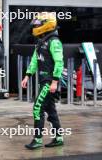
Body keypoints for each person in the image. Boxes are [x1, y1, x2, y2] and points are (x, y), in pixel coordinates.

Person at [21, 12, 64, 150]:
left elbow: (59, 62)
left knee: (37, 108)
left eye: (38, 24)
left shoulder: (54, 41)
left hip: (49, 81)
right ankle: (58, 138)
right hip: (44, 81)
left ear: (47, 24)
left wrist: (55, 82)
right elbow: (35, 60)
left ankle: (38, 139)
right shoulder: (41, 41)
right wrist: (27, 75)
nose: (36, 26)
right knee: (51, 110)